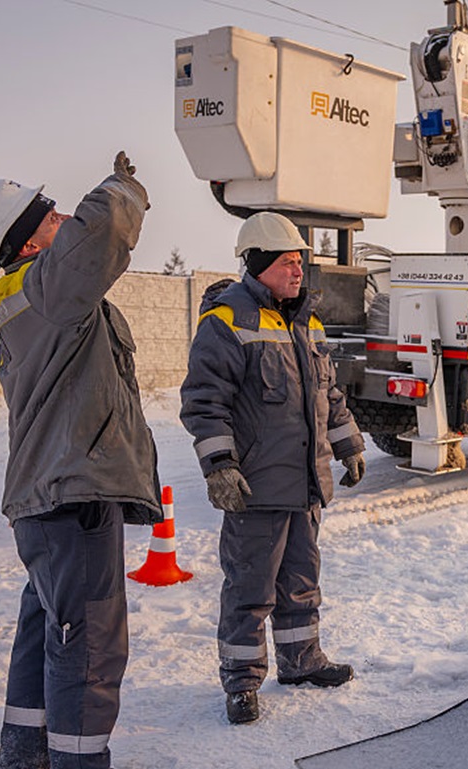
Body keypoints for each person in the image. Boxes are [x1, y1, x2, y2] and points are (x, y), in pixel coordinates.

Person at [0, 152, 163, 769]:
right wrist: (122, 186)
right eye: (49, 216)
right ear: (28, 242)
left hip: (48, 498)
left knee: (51, 631)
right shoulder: (48, 289)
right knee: (91, 639)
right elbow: (100, 231)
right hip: (73, 495)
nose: (64, 218)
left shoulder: (30, 299)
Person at [180, 211, 367, 725]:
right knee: (250, 589)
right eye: (287, 262)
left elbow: (328, 394)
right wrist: (220, 465)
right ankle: (242, 682)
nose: (298, 271)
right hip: (257, 490)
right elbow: (203, 401)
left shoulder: (308, 321)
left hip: (305, 485)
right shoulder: (227, 322)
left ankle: (302, 661)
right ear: (259, 264)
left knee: (301, 582)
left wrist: (348, 445)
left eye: (299, 262)